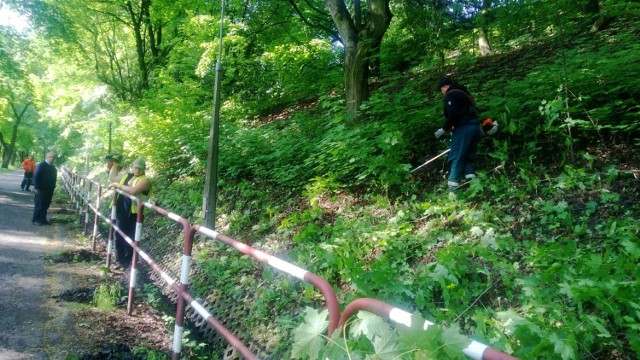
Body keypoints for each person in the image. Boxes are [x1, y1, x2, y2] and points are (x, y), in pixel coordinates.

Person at [434, 77, 483, 191]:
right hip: (475, 127)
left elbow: (453, 114)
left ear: (444, 87)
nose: (442, 93)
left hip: (463, 129)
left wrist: (443, 129)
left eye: (441, 90)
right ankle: (472, 185)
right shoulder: (464, 93)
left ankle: (452, 191)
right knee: (467, 157)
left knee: (457, 156)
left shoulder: (451, 95)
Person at [109, 157, 152, 267]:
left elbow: (133, 191)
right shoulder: (126, 176)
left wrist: (118, 186)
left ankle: (129, 262)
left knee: (131, 238)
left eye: (140, 169)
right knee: (118, 234)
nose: (137, 170)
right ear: (132, 168)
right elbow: (112, 177)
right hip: (121, 210)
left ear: (144, 169)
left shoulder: (145, 180)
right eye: (135, 168)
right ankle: (120, 261)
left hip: (135, 214)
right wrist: (115, 165)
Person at [32, 152, 57, 225]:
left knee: (46, 205)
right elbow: (36, 176)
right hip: (41, 189)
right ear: (46, 157)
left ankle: (43, 220)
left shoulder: (52, 167)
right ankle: (36, 220)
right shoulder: (41, 165)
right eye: (50, 157)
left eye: (53, 157)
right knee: (39, 204)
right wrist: (36, 187)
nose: (52, 158)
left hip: (49, 189)